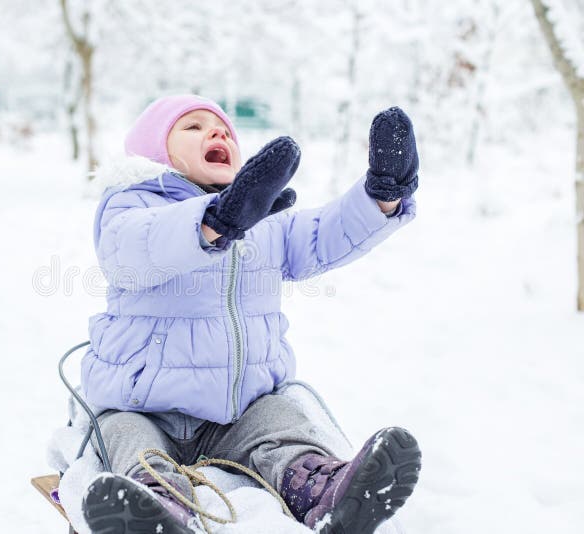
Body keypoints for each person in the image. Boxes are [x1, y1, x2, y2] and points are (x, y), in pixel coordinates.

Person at [79, 95, 421, 534]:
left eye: (223, 129)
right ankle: (156, 505)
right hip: (142, 406)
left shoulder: (265, 219)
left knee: (282, 424)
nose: (217, 132)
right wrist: (216, 221)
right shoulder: (130, 207)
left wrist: (380, 198)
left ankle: (325, 490)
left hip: (238, 410)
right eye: (193, 127)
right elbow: (139, 247)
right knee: (125, 437)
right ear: (155, 151)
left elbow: (322, 234)